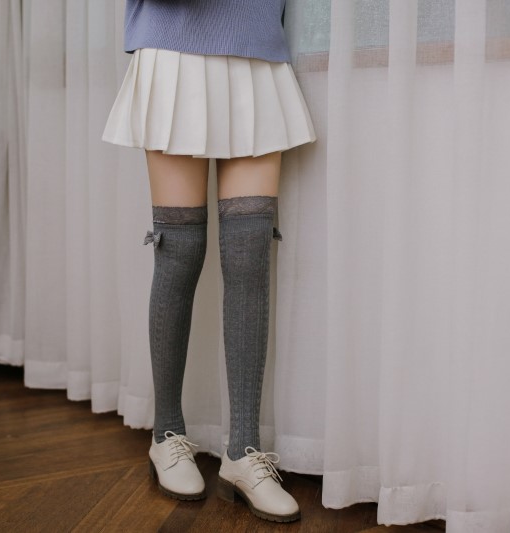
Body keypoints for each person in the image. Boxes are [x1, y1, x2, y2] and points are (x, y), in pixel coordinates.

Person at [101, 0, 316, 523]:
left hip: (256, 51)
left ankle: (243, 452)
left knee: (249, 256)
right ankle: (166, 435)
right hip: (173, 52)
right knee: (179, 251)